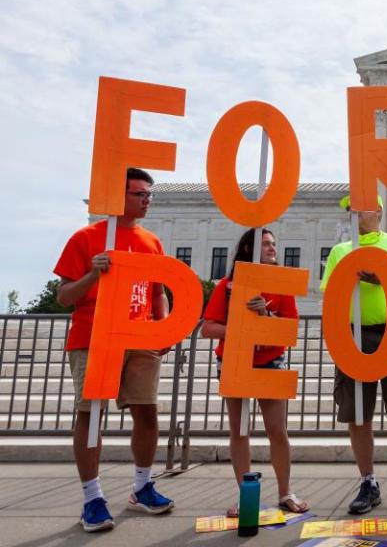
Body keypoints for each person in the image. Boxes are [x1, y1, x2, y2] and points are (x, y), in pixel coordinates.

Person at [54, 168, 175, 532]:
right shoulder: (87, 237)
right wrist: (93, 274)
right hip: (94, 335)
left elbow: (158, 293)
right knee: (91, 415)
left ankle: (142, 487)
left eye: (149, 194)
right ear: (118, 195)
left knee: (147, 412)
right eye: (140, 194)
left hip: (139, 336)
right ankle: (92, 497)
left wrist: (163, 325)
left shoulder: (151, 241)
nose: (147, 200)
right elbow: (64, 297)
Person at [320, 195, 387, 515]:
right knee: (358, 412)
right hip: (354, 336)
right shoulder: (342, 252)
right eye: (349, 209)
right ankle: (367, 481)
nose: (353, 212)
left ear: (379, 211)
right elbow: (332, 298)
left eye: (360, 207)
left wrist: (385, 277)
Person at [201, 228, 309, 517]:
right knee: (239, 430)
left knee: (277, 430)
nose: (272, 248)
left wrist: (265, 316)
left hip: (271, 360)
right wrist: (244, 331)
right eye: (265, 244)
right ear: (248, 249)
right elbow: (208, 328)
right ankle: (244, 495)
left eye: (274, 243)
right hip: (235, 360)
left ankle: (285, 492)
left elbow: (289, 330)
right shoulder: (227, 286)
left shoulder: (282, 286)